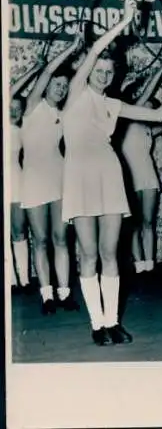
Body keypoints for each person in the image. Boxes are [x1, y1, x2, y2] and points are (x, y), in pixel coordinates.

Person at [62, 0, 162, 345]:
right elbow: (94, 51)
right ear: (89, 71)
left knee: (110, 253)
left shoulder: (113, 104)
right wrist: (124, 21)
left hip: (110, 175)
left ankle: (111, 321)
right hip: (79, 178)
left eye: (110, 71)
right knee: (89, 254)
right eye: (100, 70)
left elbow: (159, 114)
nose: (104, 75)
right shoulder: (76, 94)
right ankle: (96, 324)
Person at [20, 37, 82, 315]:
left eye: (64, 87)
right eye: (57, 85)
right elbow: (46, 72)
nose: (61, 89)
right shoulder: (32, 105)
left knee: (61, 238)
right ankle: (46, 295)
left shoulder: (65, 113)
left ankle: (65, 292)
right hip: (33, 180)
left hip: (59, 177)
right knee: (41, 239)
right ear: (46, 88)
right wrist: (72, 48)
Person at [121, 66, 162, 274]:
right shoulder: (126, 120)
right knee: (133, 224)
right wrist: (161, 70)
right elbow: (147, 92)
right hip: (129, 178)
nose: (148, 112)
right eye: (145, 108)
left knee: (148, 222)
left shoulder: (150, 129)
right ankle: (139, 263)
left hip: (148, 177)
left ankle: (150, 263)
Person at [9, 62, 43, 294]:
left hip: (17, 180)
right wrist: (31, 71)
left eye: (17, 108)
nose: (13, 111)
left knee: (19, 231)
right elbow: (9, 92)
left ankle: (24, 280)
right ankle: (10, 280)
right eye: (9, 107)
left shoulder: (23, 129)